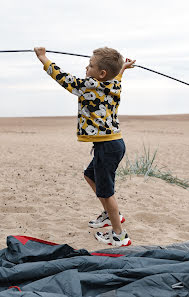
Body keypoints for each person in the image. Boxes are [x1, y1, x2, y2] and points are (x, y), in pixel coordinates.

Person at [34, 46, 135, 246]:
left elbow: (63, 78)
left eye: (90, 66)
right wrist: (122, 68)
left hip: (107, 147)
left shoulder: (90, 85)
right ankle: (109, 214)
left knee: (107, 191)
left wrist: (43, 58)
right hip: (113, 144)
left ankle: (119, 235)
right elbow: (117, 76)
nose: (86, 68)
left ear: (101, 73)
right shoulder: (114, 83)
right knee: (90, 175)